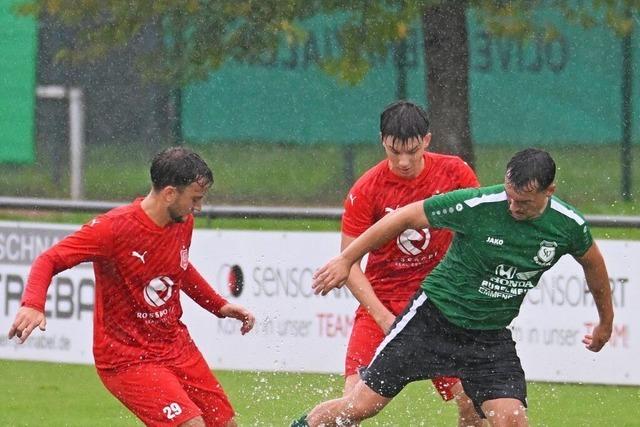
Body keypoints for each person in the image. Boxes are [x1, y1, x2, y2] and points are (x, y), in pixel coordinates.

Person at [296, 148, 614, 427]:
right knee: (359, 407)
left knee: (511, 420)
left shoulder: (568, 225)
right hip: (432, 321)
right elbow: (405, 217)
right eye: (510, 196)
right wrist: (347, 259)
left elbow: (594, 265)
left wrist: (605, 323)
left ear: (549, 191)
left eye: (524, 202)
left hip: (488, 337)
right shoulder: (479, 205)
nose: (514, 207)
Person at [8, 147, 255, 427]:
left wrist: (219, 305)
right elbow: (49, 259)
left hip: (175, 346)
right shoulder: (112, 229)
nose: (197, 207)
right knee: (191, 425)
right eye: (194, 199)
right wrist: (32, 304)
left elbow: (179, 269)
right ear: (170, 193)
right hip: (127, 358)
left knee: (225, 425)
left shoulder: (182, 221)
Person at [318, 100, 483, 426]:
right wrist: (382, 316)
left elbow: (479, 230)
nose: (403, 161)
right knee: (351, 408)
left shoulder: (454, 172)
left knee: (473, 401)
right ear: (383, 141)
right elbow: (348, 262)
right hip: (382, 302)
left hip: (440, 302)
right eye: (394, 151)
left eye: (411, 151)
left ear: (427, 140)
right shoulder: (366, 189)